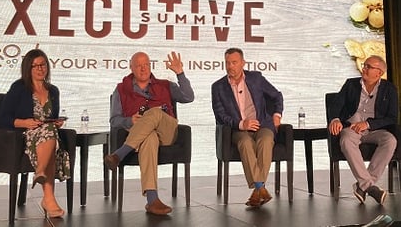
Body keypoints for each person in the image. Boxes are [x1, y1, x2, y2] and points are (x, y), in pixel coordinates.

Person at [104, 51, 194, 215]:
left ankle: (119, 154)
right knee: (149, 138)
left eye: (146, 64)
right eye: (138, 65)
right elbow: (114, 121)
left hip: (167, 132)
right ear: (131, 68)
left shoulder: (166, 85)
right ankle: (152, 200)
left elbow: (189, 97)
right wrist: (129, 121)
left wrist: (180, 73)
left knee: (155, 113)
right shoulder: (121, 89)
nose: (143, 69)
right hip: (142, 137)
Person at [0, 49, 70, 218]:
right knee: (51, 139)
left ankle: (41, 174)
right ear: (28, 69)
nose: (40, 69)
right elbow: (3, 118)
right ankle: (48, 197)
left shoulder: (53, 91)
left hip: (48, 134)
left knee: (51, 132)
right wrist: (25, 123)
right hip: (26, 136)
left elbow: (50, 117)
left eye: (43, 65)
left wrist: (56, 122)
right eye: (35, 66)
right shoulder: (19, 88)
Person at [211, 47, 283, 207]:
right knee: (245, 143)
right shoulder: (218, 87)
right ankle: (260, 187)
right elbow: (220, 114)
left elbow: (277, 95)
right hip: (238, 129)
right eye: (227, 63)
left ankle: (258, 190)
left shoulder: (256, 78)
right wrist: (241, 124)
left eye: (234, 62)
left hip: (262, 124)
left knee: (266, 140)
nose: (230, 66)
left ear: (243, 63)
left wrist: (277, 114)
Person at [328, 55, 397, 205]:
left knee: (390, 140)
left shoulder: (389, 89)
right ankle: (369, 187)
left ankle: (363, 186)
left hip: (374, 130)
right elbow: (335, 105)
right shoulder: (351, 84)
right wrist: (335, 119)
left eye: (368, 67)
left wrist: (368, 124)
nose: (363, 69)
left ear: (379, 73)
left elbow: (392, 118)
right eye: (364, 65)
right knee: (345, 139)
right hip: (352, 128)